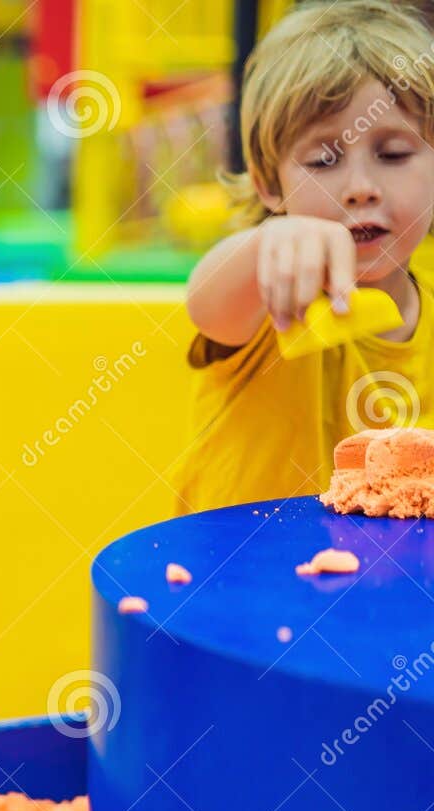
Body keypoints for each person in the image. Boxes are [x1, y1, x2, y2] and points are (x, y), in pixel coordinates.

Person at [179, 0, 434, 512]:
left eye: (394, 154)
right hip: (238, 582)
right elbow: (208, 306)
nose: (361, 188)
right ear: (270, 184)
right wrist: (264, 247)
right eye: (324, 160)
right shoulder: (268, 287)